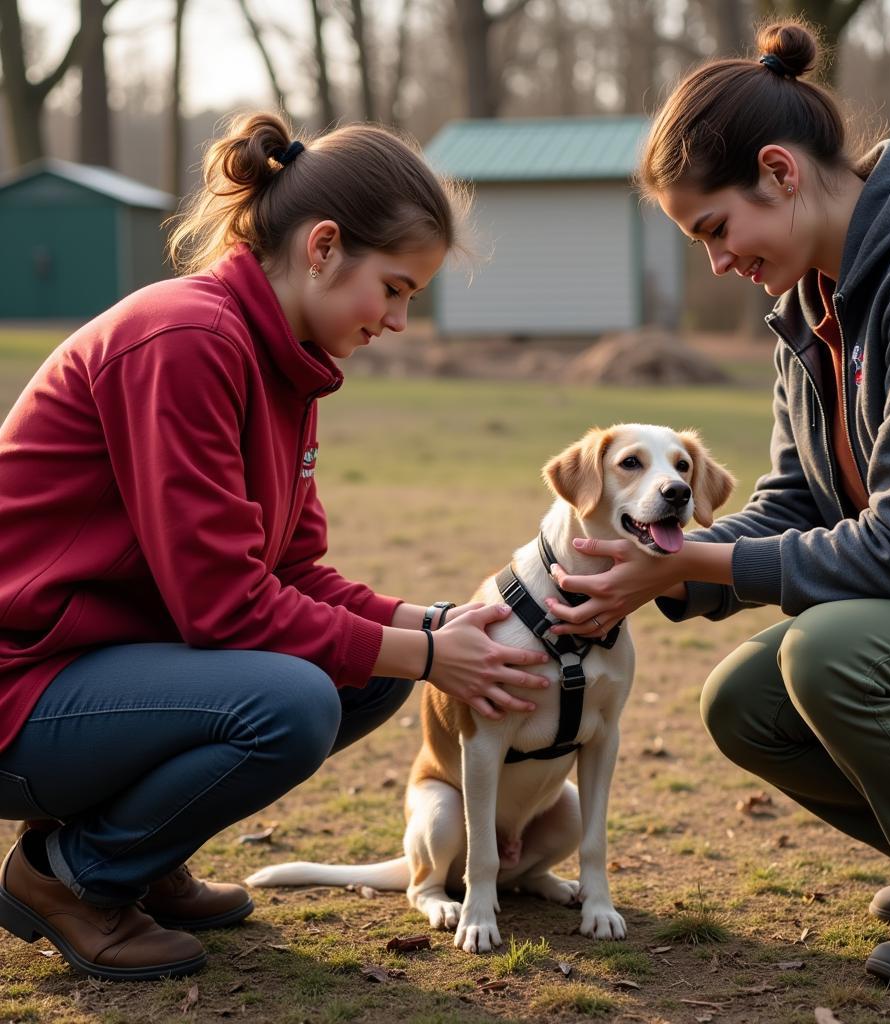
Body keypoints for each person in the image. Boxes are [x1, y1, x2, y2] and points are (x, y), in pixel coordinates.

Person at [0, 112, 551, 982]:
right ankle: (71, 877)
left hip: (101, 669)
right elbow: (224, 607)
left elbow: (292, 573)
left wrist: (434, 626)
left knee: (370, 670)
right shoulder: (187, 342)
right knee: (292, 699)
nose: (401, 320)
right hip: (24, 687)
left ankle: (140, 857)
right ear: (324, 246)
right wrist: (428, 652)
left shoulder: (281, 360)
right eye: (396, 288)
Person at [542, 20, 890, 987]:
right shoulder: (811, 302)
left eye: (715, 228)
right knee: (745, 701)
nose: (717, 261)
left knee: (830, 653)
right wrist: (658, 570)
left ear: (780, 171)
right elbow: (795, 500)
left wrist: (694, 561)